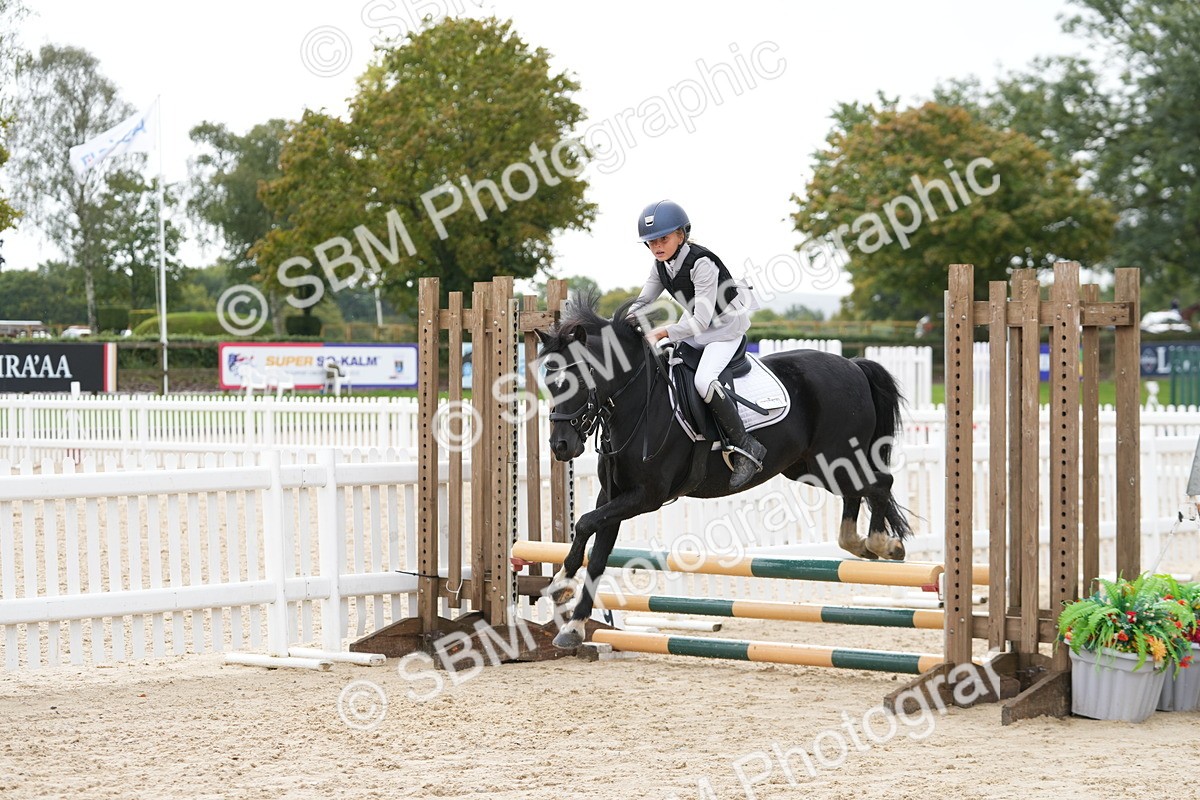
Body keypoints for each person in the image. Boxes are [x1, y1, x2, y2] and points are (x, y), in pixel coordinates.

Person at [631, 199, 765, 490]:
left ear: (681, 235)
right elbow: (642, 302)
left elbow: (702, 321)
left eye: (663, 238)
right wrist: (616, 325)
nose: (657, 246)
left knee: (704, 380)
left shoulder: (702, 263)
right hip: (696, 329)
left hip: (725, 330)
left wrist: (662, 332)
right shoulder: (660, 266)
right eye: (651, 241)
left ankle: (745, 446)